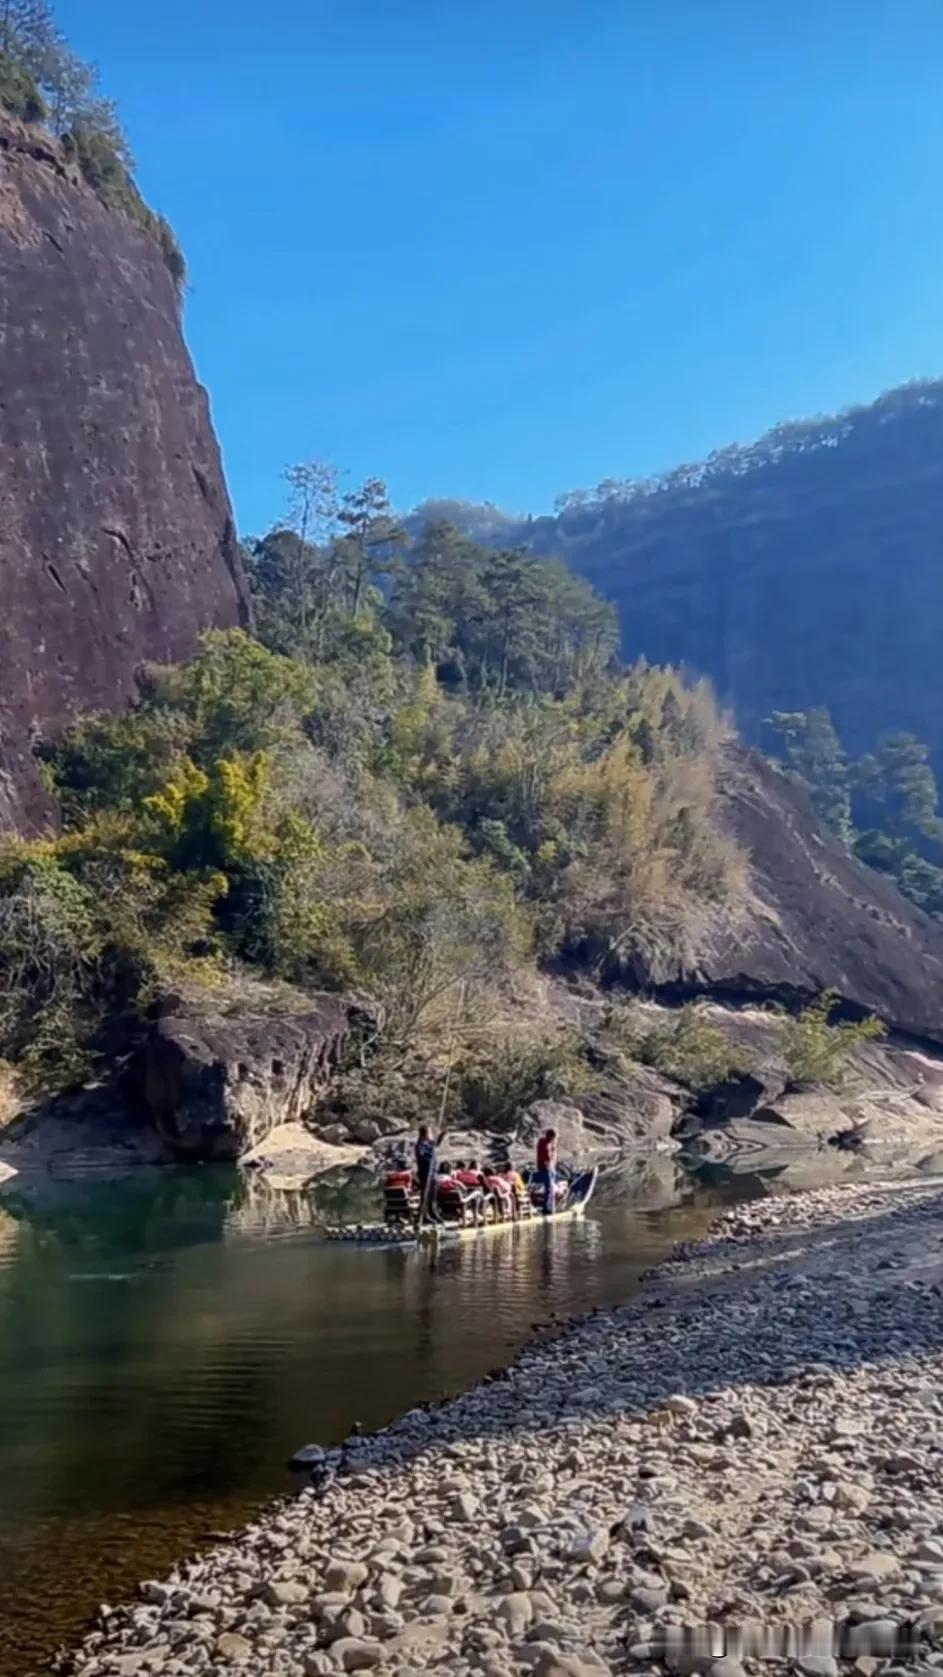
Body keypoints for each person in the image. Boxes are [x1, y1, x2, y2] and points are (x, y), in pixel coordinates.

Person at [415, 1124, 441, 1225]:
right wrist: (431, 1147)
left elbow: (436, 1144)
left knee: (432, 1195)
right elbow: (424, 1156)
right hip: (425, 1173)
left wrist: (441, 1136)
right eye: (430, 1132)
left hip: (433, 1173)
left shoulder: (428, 1143)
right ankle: (425, 1215)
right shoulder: (421, 1144)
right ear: (426, 1134)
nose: (431, 1134)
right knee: (426, 1194)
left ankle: (432, 1212)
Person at [535, 1127, 557, 1215]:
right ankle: (547, 1207)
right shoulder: (546, 1144)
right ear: (550, 1137)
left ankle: (548, 1206)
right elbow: (547, 1157)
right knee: (549, 1187)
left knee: (548, 1187)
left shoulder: (542, 1142)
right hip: (546, 1167)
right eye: (553, 1138)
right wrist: (553, 1150)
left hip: (544, 1167)